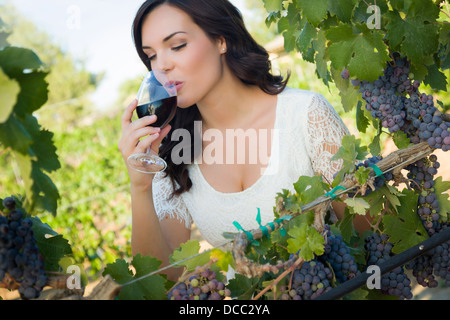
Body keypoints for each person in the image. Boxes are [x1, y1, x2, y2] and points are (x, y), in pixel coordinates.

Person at [118, 0, 368, 280]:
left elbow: (365, 240)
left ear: (221, 40)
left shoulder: (306, 114)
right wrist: (140, 187)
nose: (161, 65)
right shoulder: (176, 149)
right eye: (151, 56)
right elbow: (163, 279)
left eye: (177, 46)